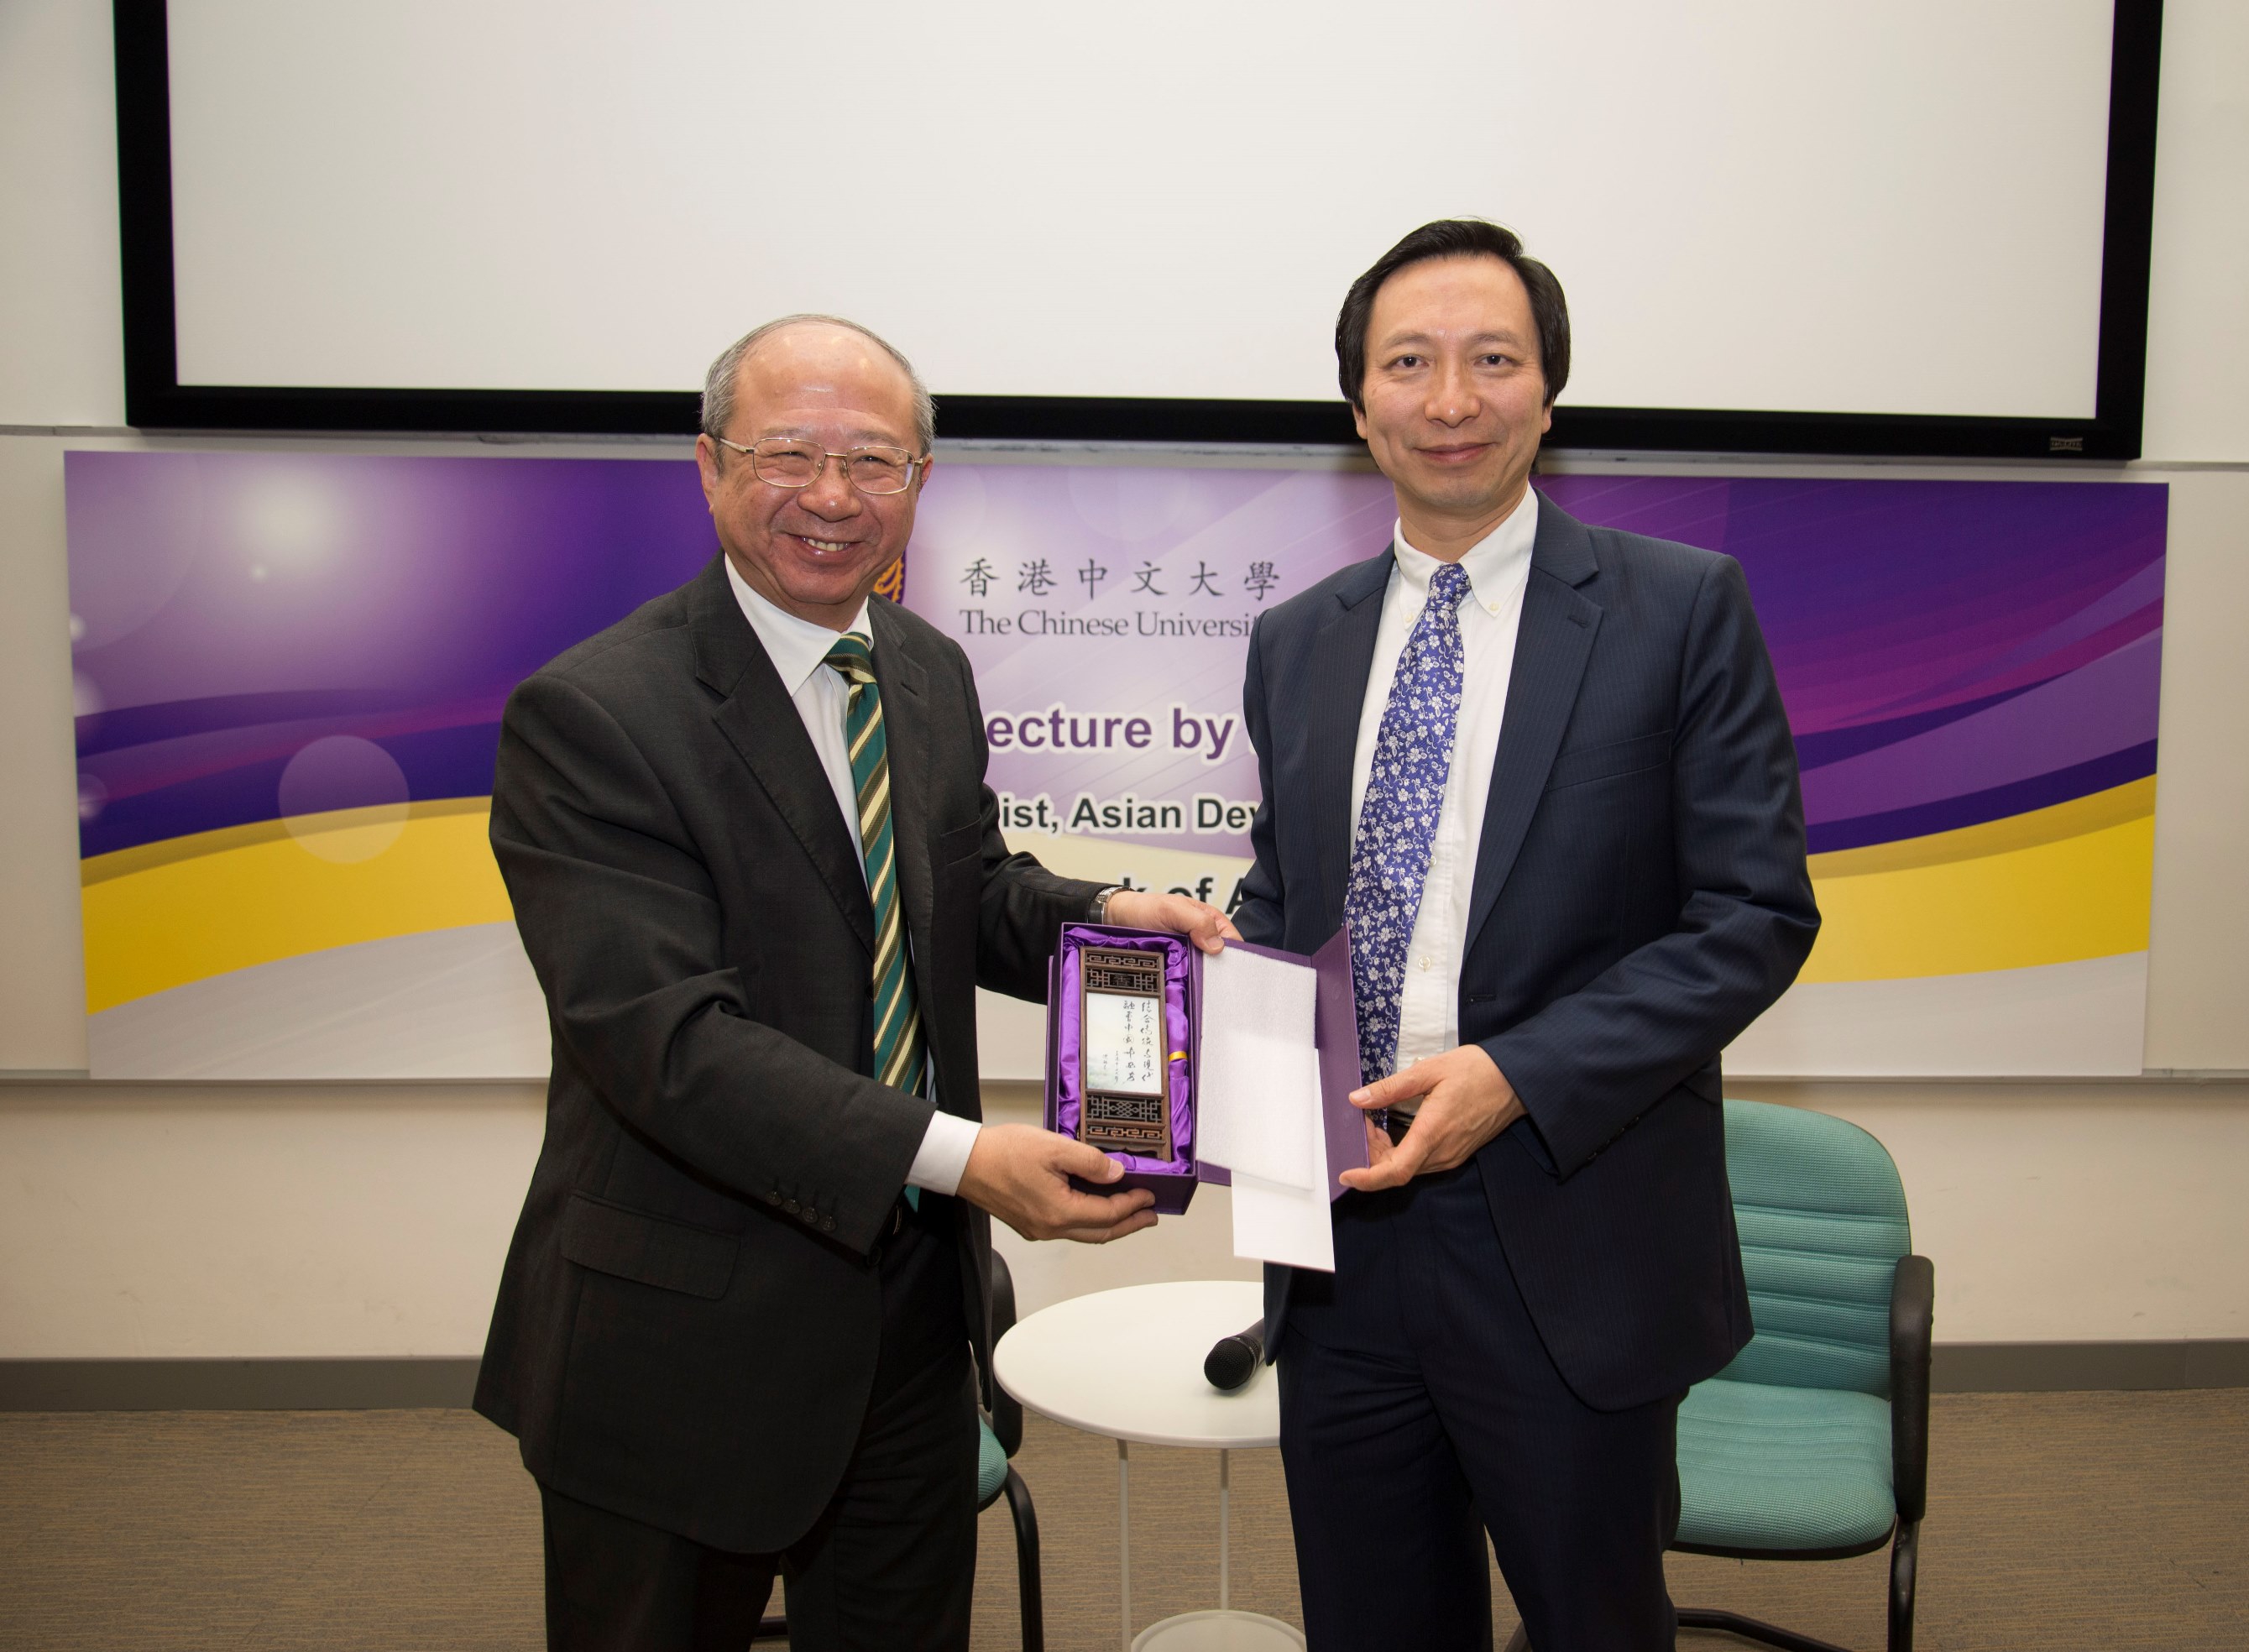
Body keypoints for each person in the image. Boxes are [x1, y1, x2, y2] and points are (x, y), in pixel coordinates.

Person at [475, 313, 1232, 1651]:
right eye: (788, 453)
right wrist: (963, 1157)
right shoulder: (593, 716)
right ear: (709, 466)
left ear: (920, 486)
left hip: (907, 1324)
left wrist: (1111, 912)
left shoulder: (923, 670)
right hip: (680, 1336)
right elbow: (668, 1044)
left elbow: (960, 894)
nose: (831, 497)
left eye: (873, 462)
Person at [1232, 222, 1820, 1649]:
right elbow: (1282, 898)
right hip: (1349, 1243)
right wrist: (1210, 993)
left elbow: (1753, 916)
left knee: (1595, 1624)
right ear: (1357, 403)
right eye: (1410, 365)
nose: (1450, 401)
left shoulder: (1679, 610)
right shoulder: (1298, 638)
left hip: (1573, 1230)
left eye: (1492, 361)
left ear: (1549, 393)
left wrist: (1517, 1076)